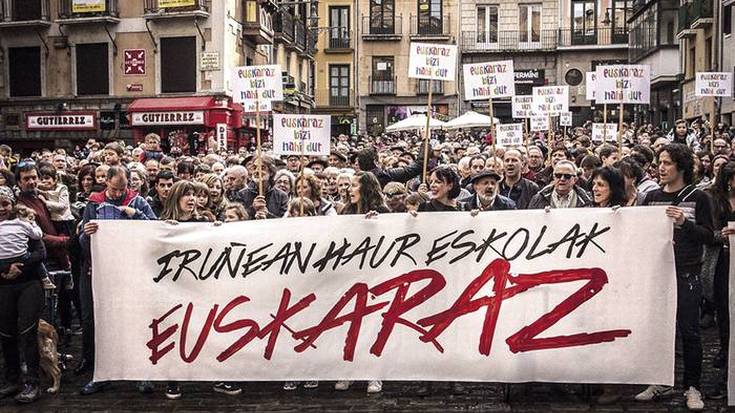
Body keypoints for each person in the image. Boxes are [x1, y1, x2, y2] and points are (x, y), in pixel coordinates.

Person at [636, 143, 714, 411]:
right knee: (658, 331)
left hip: (686, 274)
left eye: (667, 163)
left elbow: (709, 235)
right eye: (660, 162)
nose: (661, 167)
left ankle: (692, 387)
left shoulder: (699, 198)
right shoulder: (651, 197)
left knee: (690, 331)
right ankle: (659, 380)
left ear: (681, 166)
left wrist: (685, 224)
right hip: (658, 274)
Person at [77, 166, 157, 395]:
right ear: (106, 184)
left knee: (136, 323)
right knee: (102, 324)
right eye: (114, 189)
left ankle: (142, 373)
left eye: (122, 189)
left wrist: (137, 216)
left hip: (132, 272)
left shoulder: (138, 202)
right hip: (102, 272)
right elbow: (82, 244)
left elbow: (156, 231)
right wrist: (86, 233)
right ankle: (103, 374)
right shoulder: (93, 203)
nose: (117, 194)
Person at [0, 187, 47, 404]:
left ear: (12, 205)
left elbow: (40, 252)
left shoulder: (24, 224)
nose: (1, 209)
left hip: (28, 283)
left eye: (5, 204)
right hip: (3, 285)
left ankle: (33, 382)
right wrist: (4, 271)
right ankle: (13, 379)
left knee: (28, 332)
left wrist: (20, 266)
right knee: (6, 333)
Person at [528, 160, 592, 209]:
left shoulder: (586, 200)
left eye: (567, 176)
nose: (562, 179)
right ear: (553, 177)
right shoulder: (538, 199)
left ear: (575, 179)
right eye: (558, 175)